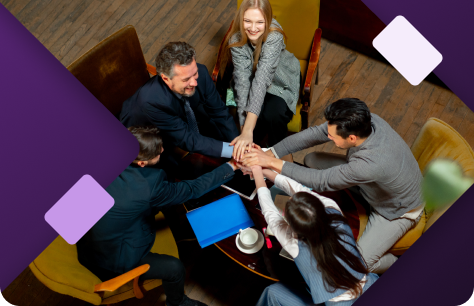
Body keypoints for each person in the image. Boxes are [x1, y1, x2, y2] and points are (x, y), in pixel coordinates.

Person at [241, 98, 424, 274]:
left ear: (352, 138)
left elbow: (322, 180)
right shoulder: (367, 121)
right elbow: (314, 134)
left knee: (354, 265)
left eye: (332, 136)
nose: (327, 137)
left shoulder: (370, 164)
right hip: (372, 185)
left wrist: (271, 163)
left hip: (395, 210)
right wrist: (272, 153)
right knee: (311, 159)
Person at [77, 126, 239, 306]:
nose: (162, 150)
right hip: (110, 258)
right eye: (157, 151)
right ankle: (177, 302)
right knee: (175, 268)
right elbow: (193, 189)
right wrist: (232, 165)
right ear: (141, 163)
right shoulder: (149, 185)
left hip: (87, 236)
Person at [250, 165, 378, 306]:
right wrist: (261, 170)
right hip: (370, 285)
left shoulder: (293, 244)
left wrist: (257, 171)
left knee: (273, 292)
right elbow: (298, 189)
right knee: (274, 291)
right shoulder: (332, 208)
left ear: (293, 228)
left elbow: (270, 212)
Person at [120, 42, 239, 161]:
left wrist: (240, 146)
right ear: (166, 79)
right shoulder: (151, 102)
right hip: (149, 137)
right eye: (186, 79)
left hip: (182, 116)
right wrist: (232, 152)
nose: (194, 83)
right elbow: (187, 139)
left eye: (195, 73)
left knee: (217, 132)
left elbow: (220, 112)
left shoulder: (201, 72)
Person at [218, 0, 300, 161]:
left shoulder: (274, 36)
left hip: (279, 81)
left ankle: (280, 153)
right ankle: (257, 153)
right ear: (241, 20)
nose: (253, 28)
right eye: (247, 21)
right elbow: (242, 84)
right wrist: (244, 131)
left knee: (273, 115)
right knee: (250, 117)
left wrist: (248, 131)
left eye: (259, 22)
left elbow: (262, 79)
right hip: (251, 81)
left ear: (268, 21)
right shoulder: (236, 39)